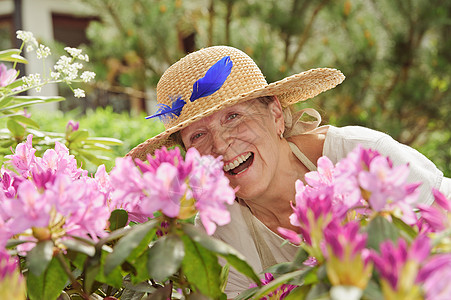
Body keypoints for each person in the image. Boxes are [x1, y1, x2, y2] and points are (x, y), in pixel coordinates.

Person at [127, 46, 451, 297]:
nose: (222, 144)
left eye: (233, 117)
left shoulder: (362, 154)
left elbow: (439, 244)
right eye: (198, 135)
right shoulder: (221, 234)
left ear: (276, 115)